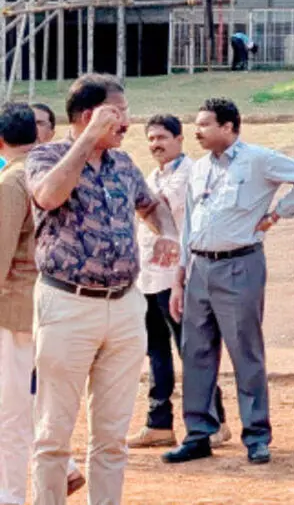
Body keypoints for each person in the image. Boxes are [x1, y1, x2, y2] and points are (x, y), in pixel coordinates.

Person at [27, 75, 179, 505]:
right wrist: (87, 140)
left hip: (124, 307)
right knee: (54, 436)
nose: (128, 122)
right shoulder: (47, 156)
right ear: (90, 115)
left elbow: (151, 205)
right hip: (67, 305)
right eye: (119, 113)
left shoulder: (124, 165)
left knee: (112, 437)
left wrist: (166, 233)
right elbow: (49, 196)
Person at [164, 98, 294, 466]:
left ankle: (256, 436)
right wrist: (180, 278)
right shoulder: (199, 168)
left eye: (205, 124)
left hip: (240, 265)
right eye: (196, 123)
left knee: (244, 351)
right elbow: (189, 224)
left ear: (230, 127)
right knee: (196, 352)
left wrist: (278, 214)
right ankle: (199, 433)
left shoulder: (258, 160)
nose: (197, 131)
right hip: (199, 267)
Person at [0, 103, 85, 503]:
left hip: (15, 311)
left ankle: (12, 496)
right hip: (54, 304)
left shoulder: (12, 181)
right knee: (36, 402)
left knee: (10, 414)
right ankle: (63, 471)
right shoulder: (53, 170)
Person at [129, 115, 227, 450]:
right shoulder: (151, 176)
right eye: (151, 138)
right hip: (148, 278)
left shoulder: (193, 175)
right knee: (156, 350)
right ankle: (159, 424)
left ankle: (216, 421)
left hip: (180, 277)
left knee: (193, 350)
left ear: (179, 139)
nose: (156, 144)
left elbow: (190, 226)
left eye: (162, 138)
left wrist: (182, 279)